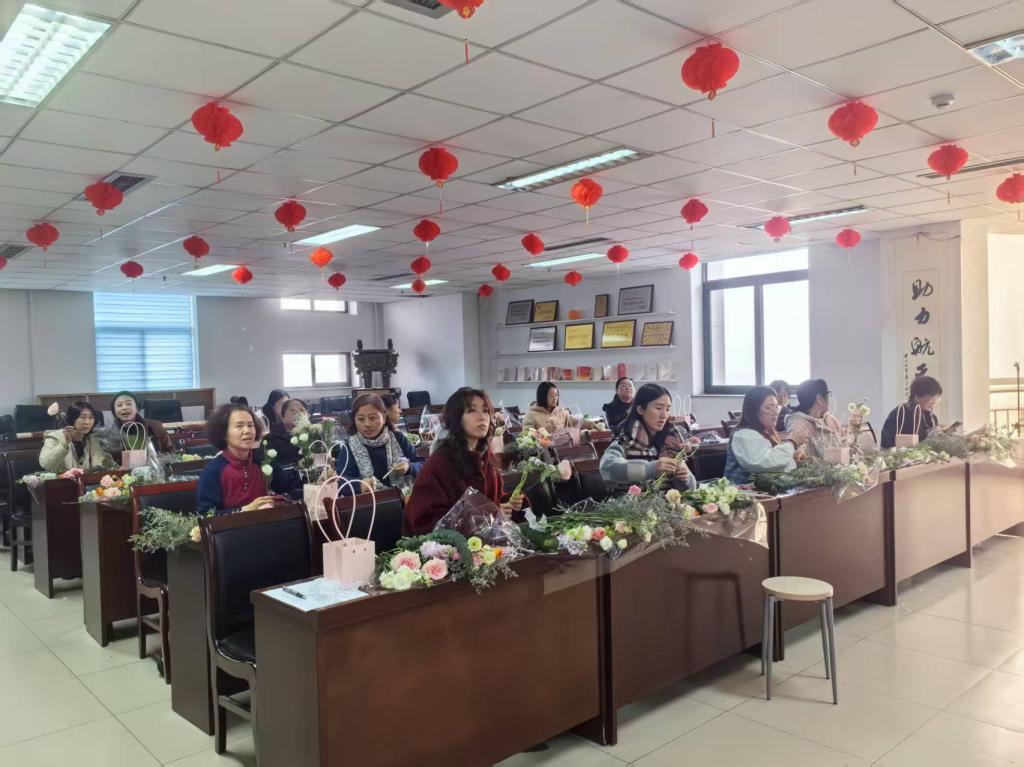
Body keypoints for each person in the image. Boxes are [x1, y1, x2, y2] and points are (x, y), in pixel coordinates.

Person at [406, 387, 523, 535]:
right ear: (456, 417)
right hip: (449, 547)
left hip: (487, 542)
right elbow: (425, 522)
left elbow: (494, 500)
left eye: (485, 411)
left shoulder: (485, 456)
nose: (482, 417)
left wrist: (509, 503)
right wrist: (487, 515)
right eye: (471, 410)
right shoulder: (440, 463)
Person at [599, 384, 696, 491]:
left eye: (668, 409)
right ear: (640, 409)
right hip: (632, 501)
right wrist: (652, 468)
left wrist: (684, 479)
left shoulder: (671, 439)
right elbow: (607, 468)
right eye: (658, 408)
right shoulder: (625, 438)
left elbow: (692, 487)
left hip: (667, 501)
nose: (664, 415)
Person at [197, 404, 279, 515]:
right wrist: (243, 510)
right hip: (233, 526)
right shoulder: (213, 470)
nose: (247, 431)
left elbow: (285, 494)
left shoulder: (264, 461)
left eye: (250, 425)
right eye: (239, 426)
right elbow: (206, 513)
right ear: (223, 433)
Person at [338, 394, 423, 489]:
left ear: (384, 418)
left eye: (372, 418)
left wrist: (409, 467)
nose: (367, 424)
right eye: (361, 419)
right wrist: (361, 485)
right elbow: (341, 482)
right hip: (370, 498)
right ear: (354, 420)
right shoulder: (349, 447)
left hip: (403, 496)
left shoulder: (398, 438)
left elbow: (422, 465)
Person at [724, 387, 807, 484]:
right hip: (744, 492)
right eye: (769, 408)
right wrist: (792, 442)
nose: (775, 412)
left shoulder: (767, 431)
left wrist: (793, 456)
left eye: (776, 407)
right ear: (753, 411)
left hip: (768, 490)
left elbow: (777, 462)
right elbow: (767, 462)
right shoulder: (744, 434)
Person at [38, 401, 113, 472]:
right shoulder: (55, 437)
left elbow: (101, 464)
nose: (87, 422)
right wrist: (65, 444)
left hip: (87, 480)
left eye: (90, 417)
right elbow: (46, 464)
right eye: (83, 417)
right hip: (62, 480)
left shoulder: (92, 440)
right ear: (73, 418)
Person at [881, 376, 942, 448]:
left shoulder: (931, 417)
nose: (934, 403)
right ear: (917, 395)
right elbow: (891, 442)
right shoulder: (901, 413)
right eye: (932, 400)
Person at [106, 391, 174, 454]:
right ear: (114, 411)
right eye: (119, 405)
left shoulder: (156, 427)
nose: (124, 407)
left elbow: (171, 452)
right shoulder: (109, 436)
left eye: (128, 403)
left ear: (137, 408)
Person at [523, 382, 596, 432]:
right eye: (551, 396)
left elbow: (576, 422)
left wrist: (592, 424)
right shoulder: (531, 415)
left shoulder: (560, 411)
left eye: (556, 395)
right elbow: (527, 437)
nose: (555, 398)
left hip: (562, 448)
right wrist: (543, 434)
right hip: (544, 449)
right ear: (542, 397)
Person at [264, 398, 307, 465]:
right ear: (282, 416)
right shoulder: (271, 438)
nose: (298, 413)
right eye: (292, 410)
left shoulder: (313, 434)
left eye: (301, 410)